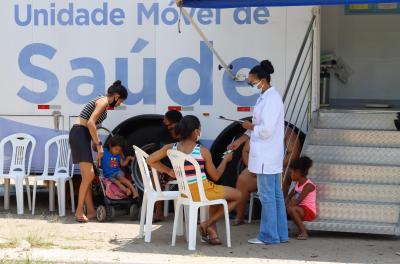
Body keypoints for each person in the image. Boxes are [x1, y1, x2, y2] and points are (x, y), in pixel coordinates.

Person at [147, 115, 241, 245]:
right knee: (238, 195)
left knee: (216, 195)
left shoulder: (171, 148)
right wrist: (226, 160)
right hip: (202, 191)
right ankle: (207, 223)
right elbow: (216, 176)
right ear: (196, 131)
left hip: (185, 192)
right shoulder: (202, 151)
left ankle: (211, 230)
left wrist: (168, 171)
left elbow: (150, 160)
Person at [230, 60, 288, 245]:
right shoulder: (265, 97)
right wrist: (240, 140)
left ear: (262, 80)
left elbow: (266, 129)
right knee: (275, 195)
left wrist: (250, 126)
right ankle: (280, 234)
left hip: (267, 155)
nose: (251, 85)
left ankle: (269, 236)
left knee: (268, 196)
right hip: (268, 154)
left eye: (251, 82)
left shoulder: (272, 99)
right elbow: (255, 126)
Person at [69, 80, 128, 223]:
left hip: (81, 135)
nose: (119, 104)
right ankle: (78, 212)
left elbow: (91, 127)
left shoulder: (103, 102)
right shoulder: (103, 102)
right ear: (116, 96)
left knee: (87, 177)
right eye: (121, 101)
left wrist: (95, 144)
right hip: (79, 134)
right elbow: (90, 123)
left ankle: (90, 211)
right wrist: (99, 145)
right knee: (89, 176)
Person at [232, 126, 301, 225]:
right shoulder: (257, 131)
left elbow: (293, 153)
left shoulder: (287, 132)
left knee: (281, 179)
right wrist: (251, 166)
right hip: (257, 168)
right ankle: (240, 216)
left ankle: (277, 220)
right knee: (243, 179)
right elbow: (246, 151)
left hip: (280, 167)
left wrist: (274, 166)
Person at [153, 110, 183, 222]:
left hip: (181, 168)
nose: (163, 121)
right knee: (155, 175)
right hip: (166, 168)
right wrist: (167, 170)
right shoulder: (162, 132)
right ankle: (158, 212)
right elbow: (155, 153)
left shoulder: (185, 134)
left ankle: (194, 209)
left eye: (166, 120)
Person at [286, 156, 316, 240]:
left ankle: (303, 232)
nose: (290, 175)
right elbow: (288, 197)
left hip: (308, 211)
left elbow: (298, 200)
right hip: (300, 209)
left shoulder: (308, 186)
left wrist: (289, 205)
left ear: (298, 172)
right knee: (288, 208)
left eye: (292, 172)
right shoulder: (297, 184)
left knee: (291, 209)